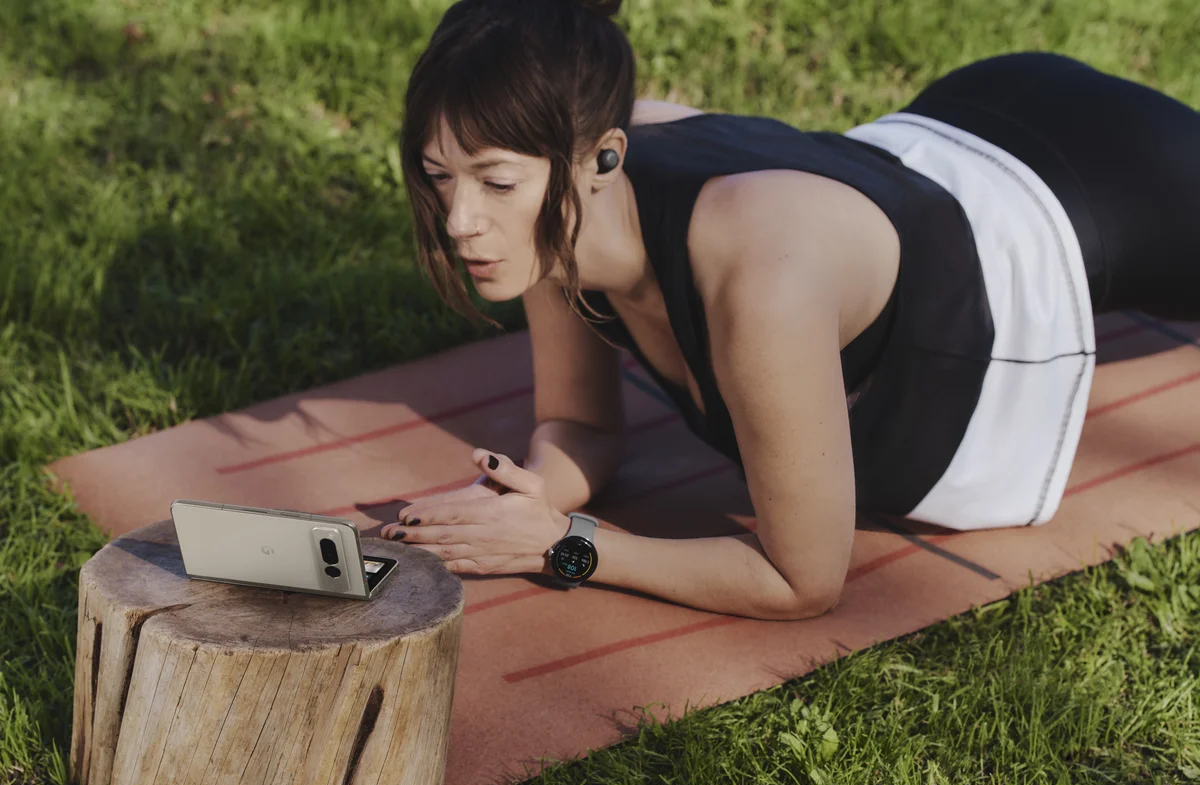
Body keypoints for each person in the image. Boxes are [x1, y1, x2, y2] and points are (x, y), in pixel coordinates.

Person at [380, 0, 1200, 620]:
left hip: (1100, 186)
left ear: (604, 156)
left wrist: (566, 547)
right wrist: (519, 501)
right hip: (950, 132)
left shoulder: (760, 282)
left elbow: (803, 579)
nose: (460, 222)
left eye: (494, 182)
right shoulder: (556, 213)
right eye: (439, 175)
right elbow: (584, 427)